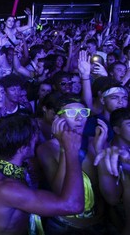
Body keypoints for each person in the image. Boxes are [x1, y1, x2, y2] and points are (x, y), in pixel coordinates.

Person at [0, 113, 84, 235]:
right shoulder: (7, 189)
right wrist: (71, 150)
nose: (37, 139)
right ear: (22, 148)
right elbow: (73, 206)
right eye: (34, 136)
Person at [37, 95, 107, 234]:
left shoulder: (95, 142)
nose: (79, 118)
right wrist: (64, 147)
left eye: (83, 112)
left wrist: (100, 151)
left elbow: (104, 190)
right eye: (70, 113)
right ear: (58, 118)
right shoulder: (47, 148)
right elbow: (60, 191)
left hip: (97, 223)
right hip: (63, 225)